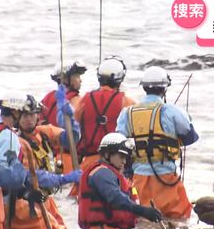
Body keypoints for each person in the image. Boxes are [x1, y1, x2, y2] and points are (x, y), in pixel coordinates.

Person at [116, 66, 199, 219]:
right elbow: (191, 137)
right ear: (164, 89)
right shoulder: (172, 111)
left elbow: (119, 144)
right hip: (167, 180)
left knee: (143, 221)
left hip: (139, 179)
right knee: (182, 219)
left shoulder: (127, 113)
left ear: (145, 88)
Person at [78, 133, 162, 229]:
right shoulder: (102, 174)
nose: (124, 161)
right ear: (107, 154)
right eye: (121, 156)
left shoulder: (107, 173)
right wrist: (142, 210)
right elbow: (115, 198)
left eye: (126, 157)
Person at [10, 92, 81, 229]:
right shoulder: (17, 143)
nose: (29, 119)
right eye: (24, 116)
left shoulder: (44, 132)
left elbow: (71, 139)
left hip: (46, 199)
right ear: (17, 119)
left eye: (32, 115)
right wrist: (64, 178)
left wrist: (70, 118)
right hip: (28, 201)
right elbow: (34, 178)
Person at [71, 56, 135, 196]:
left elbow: (76, 119)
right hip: (116, 165)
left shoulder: (84, 100)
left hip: (87, 164)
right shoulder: (127, 102)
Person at [39, 60, 87, 174]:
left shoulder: (48, 98)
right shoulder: (76, 100)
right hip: (70, 159)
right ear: (65, 79)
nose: (80, 80)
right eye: (77, 76)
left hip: (48, 158)